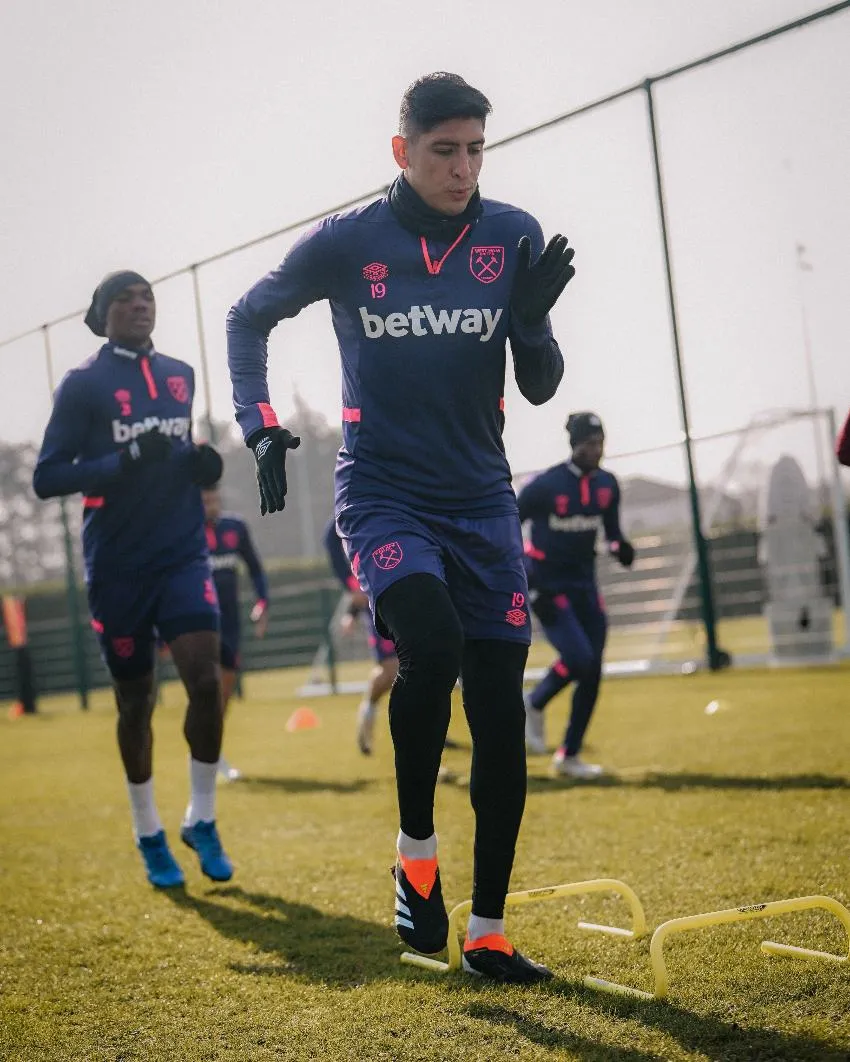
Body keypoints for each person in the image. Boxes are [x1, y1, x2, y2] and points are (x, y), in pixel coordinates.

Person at [227, 73, 574, 983]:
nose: (463, 169)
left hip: (484, 502)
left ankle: (489, 931)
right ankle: (414, 854)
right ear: (403, 151)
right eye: (443, 150)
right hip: (383, 495)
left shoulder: (513, 235)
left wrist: (531, 323)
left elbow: (538, 383)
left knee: (499, 712)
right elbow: (247, 315)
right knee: (429, 647)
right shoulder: (350, 242)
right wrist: (259, 424)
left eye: (475, 150)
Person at [33, 271, 233, 889]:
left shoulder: (180, 373)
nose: (141, 305)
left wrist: (200, 462)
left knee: (206, 679)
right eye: (126, 298)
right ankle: (147, 830)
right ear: (103, 312)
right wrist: (121, 461)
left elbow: (181, 445)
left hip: (181, 555)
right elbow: (47, 477)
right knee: (136, 701)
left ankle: (201, 817)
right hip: (118, 566)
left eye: (147, 295)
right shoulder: (83, 385)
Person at [517, 412, 635, 778]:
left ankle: (568, 756)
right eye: (589, 444)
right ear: (575, 445)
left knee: (592, 669)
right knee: (580, 657)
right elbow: (507, 528)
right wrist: (529, 581)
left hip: (586, 586)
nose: (596, 450)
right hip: (549, 587)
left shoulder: (608, 485)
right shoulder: (545, 485)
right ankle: (533, 703)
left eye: (600, 443)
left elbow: (612, 531)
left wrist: (619, 545)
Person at [202, 482, 270, 780]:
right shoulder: (185, 530)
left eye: (214, 498)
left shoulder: (235, 527)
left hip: (230, 623)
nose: (211, 504)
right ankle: (207, 754)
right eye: (205, 500)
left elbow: (255, 568)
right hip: (199, 623)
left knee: (225, 689)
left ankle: (211, 748)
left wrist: (262, 602)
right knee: (206, 686)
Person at [323, 517, 399, 755]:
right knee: (391, 670)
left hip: (408, 591)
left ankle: (431, 733)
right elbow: (332, 538)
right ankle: (368, 710)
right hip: (377, 601)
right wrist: (350, 588)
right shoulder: (353, 506)